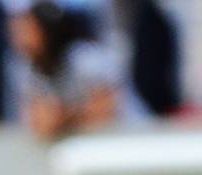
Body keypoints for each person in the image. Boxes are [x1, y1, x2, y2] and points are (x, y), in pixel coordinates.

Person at [8, 1, 146, 138]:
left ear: (46, 31)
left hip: (134, 136)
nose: (18, 37)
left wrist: (63, 116)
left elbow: (106, 110)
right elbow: (38, 121)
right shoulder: (23, 69)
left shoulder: (86, 59)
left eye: (27, 30)